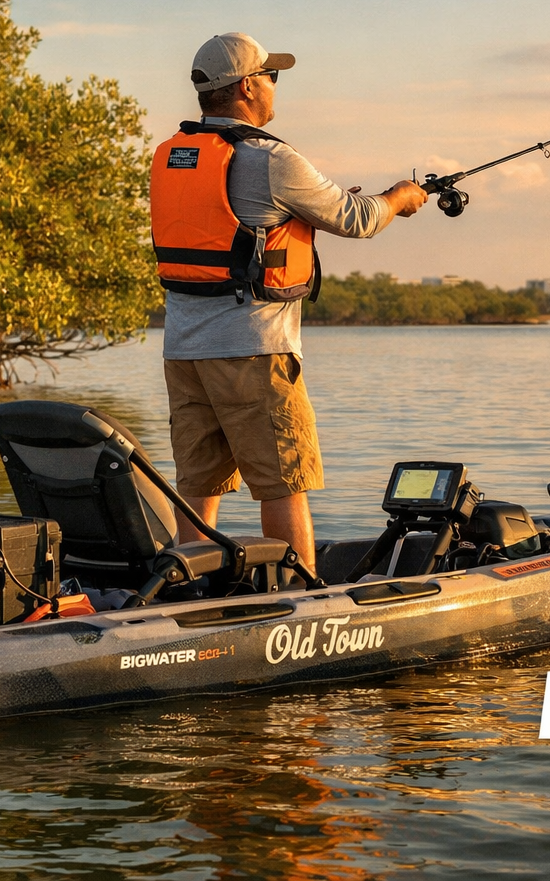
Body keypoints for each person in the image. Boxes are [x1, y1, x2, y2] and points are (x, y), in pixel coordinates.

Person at [149, 32, 427, 572]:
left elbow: (236, 223)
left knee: (198, 483)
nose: (276, 88)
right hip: (254, 350)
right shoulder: (269, 159)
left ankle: (184, 589)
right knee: (283, 481)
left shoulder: (171, 156)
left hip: (183, 352)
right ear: (248, 86)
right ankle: (300, 599)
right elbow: (359, 218)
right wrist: (400, 198)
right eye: (271, 77)